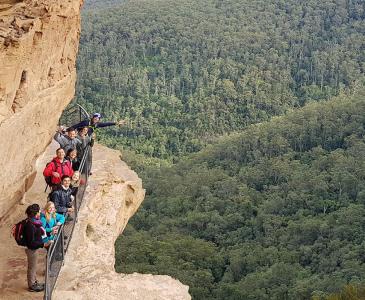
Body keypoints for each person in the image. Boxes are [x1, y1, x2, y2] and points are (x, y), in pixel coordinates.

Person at [23, 204, 53, 292]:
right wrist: (43, 245)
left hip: (33, 249)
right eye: (39, 211)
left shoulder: (33, 222)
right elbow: (31, 243)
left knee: (33, 266)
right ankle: (31, 286)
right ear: (36, 214)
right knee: (32, 267)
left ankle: (34, 282)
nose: (40, 212)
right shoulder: (30, 226)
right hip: (31, 250)